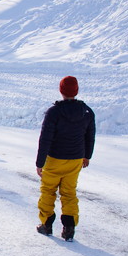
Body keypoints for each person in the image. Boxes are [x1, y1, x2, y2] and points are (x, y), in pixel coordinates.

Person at [35, 76, 96, 242]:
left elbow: (45, 138)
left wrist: (40, 162)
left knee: (48, 191)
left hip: (54, 158)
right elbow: (90, 136)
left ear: (61, 91)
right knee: (69, 193)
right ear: (76, 91)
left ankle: (46, 224)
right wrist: (87, 156)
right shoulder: (87, 112)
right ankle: (69, 228)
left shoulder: (54, 112)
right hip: (76, 158)